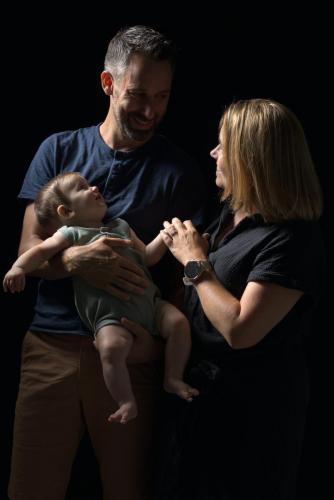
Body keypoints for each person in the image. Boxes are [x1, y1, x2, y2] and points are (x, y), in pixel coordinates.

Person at [8, 26, 206, 500]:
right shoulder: (57, 151)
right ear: (108, 83)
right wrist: (75, 260)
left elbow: (186, 276)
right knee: (31, 488)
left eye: (162, 97)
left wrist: (157, 350)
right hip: (50, 349)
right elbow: (26, 253)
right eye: (138, 94)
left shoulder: (179, 173)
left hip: (132, 350)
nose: (149, 110)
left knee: (129, 489)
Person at [134, 98, 324, 500]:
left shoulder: (292, 238)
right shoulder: (231, 216)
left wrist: (193, 261)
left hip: (252, 416)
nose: (213, 153)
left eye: (223, 145)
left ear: (250, 157)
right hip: (201, 403)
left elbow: (240, 330)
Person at [4, 172, 199, 423]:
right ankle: (125, 400)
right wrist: (19, 268)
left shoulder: (121, 225)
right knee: (110, 348)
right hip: (111, 318)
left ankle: (172, 377)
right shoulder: (71, 235)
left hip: (151, 304)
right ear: (66, 212)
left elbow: (147, 257)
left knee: (179, 323)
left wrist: (163, 238)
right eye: (82, 187)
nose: (94, 187)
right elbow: (40, 251)